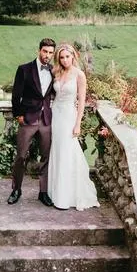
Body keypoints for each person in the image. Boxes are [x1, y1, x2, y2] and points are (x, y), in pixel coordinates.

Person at [47, 42, 99, 211]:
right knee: (57, 151)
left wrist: (78, 123)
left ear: (73, 56)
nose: (64, 60)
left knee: (68, 152)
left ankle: (68, 195)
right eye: (61, 57)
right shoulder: (55, 72)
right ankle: (56, 193)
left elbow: (82, 101)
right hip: (55, 115)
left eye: (67, 57)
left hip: (69, 117)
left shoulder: (79, 75)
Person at [8, 38, 56, 206]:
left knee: (46, 157)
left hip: (46, 121)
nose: (47, 55)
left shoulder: (54, 71)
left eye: (51, 53)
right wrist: (18, 115)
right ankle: (16, 189)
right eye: (45, 51)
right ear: (39, 51)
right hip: (27, 118)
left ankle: (43, 192)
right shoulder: (24, 69)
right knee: (21, 156)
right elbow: (16, 95)